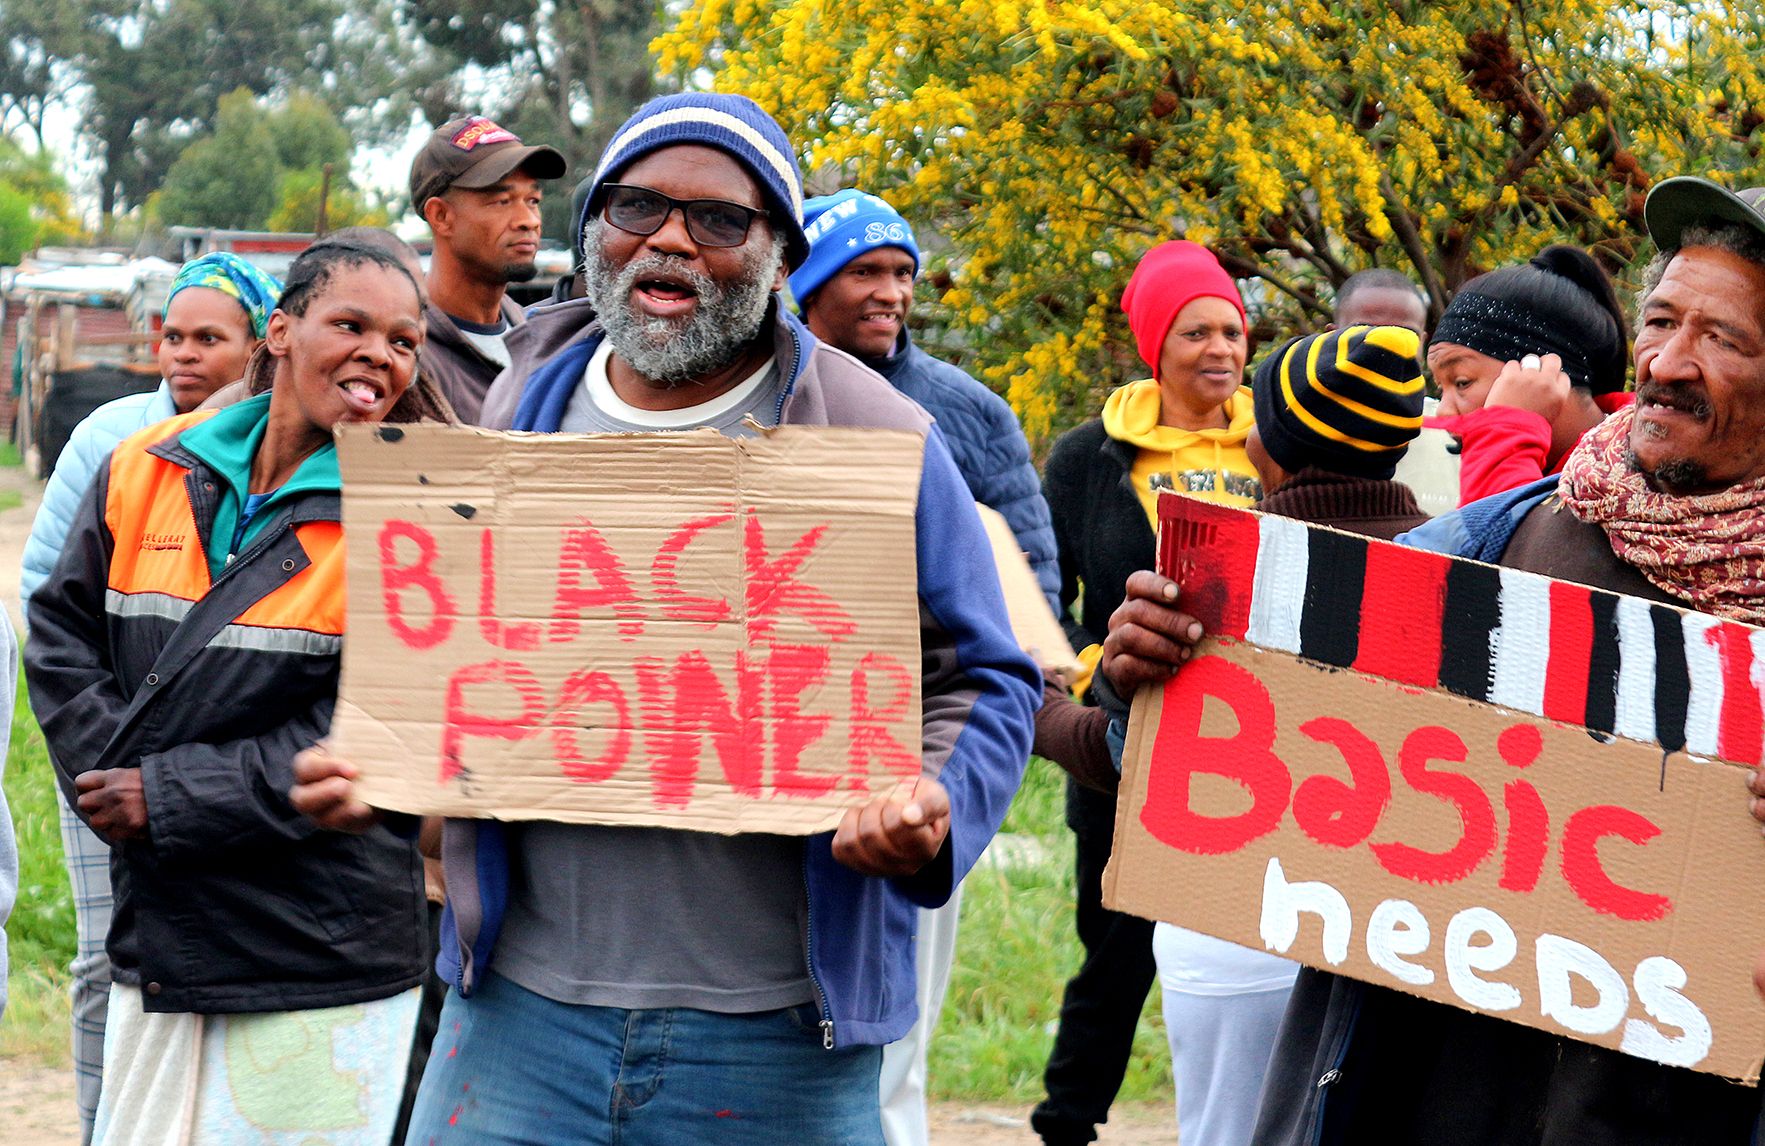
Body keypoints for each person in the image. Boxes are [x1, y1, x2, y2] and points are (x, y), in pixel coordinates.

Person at [293, 91, 1041, 1144]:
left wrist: (933, 800)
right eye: (636, 207)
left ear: (778, 250)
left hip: (780, 1033)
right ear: (595, 227)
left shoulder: (877, 431)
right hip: (515, 1020)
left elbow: (988, 676)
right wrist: (380, 761)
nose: (673, 239)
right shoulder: (515, 411)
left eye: (721, 220)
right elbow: (457, 664)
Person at [1103, 175, 1765, 1146]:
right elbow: (1236, 780)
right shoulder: (1493, 541)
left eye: (1724, 340)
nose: (1667, 361)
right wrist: (1160, 677)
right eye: (1661, 321)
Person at [24, 240, 448, 1145]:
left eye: (403, 341)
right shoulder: (147, 466)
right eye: (352, 325)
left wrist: (169, 797)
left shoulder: (409, 516)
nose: (381, 352)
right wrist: (114, 777)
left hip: (318, 953)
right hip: (164, 935)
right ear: (282, 332)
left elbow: (371, 724)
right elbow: (61, 635)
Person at [789, 186, 1059, 1146]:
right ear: (806, 282)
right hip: (776, 746)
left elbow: (1027, 575)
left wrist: (975, 752)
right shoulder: (762, 400)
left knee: (894, 1017)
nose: (891, 292)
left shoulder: (960, 412)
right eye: (865, 271)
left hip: (913, 755)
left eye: (902, 273)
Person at [17, 249, 280, 1145]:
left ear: (259, 346)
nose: (183, 354)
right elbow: (44, 600)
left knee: (216, 950)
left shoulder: (286, 446)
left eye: (210, 337)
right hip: (99, 752)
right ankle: (102, 1127)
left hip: (212, 763)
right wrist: (97, 749)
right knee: (106, 957)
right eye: (172, 335)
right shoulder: (112, 440)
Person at [1033, 239, 1257, 1146]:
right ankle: (1066, 1121)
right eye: (1195, 331)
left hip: (1251, 740)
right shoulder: (1088, 454)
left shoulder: (1269, 440)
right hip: (1122, 739)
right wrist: (1095, 676)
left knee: (1251, 950)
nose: (1220, 350)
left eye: (1232, 331)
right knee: (1115, 943)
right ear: (1152, 345)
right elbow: (1045, 594)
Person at [1426, 245, 1632, 505]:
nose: (1443, 412)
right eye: (1440, 387)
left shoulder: (1634, 475)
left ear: (1543, 371)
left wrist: (1506, 429)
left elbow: (1496, 539)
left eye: (1462, 382)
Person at [409, 114, 565, 422]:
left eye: (533, 200)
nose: (529, 220)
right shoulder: (405, 351)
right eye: (503, 202)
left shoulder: (540, 340)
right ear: (441, 216)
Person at [1333, 270, 1460, 516]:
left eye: (1404, 336)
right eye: (1365, 332)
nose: (1385, 349)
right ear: (1329, 336)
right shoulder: (1293, 429)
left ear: (1423, 342)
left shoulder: (1455, 436)